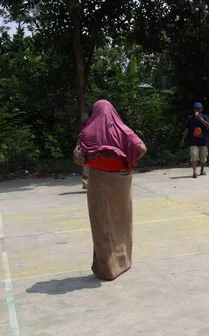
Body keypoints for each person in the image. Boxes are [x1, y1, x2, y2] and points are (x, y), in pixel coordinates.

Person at [74, 100, 147, 281]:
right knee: (123, 221)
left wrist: (93, 160)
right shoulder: (123, 130)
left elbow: (77, 158)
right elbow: (142, 148)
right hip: (122, 181)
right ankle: (124, 262)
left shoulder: (87, 133)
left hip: (99, 180)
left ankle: (107, 269)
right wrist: (128, 162)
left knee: (102, 223)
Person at [180, 102, 209, 178]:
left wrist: (200, 119)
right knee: (194, 155)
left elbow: (208, 126)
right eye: (196, 108)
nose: (197, 110)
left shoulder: (205, 117)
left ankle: (202, 170)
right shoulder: (190, 118)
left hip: (203, 141)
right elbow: (187, 129)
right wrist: (183, 140)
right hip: (193, 141)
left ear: (201, 109)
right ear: (194, 109)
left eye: (199, 109)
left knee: (203, 158)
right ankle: (194, 172)